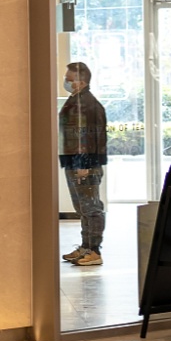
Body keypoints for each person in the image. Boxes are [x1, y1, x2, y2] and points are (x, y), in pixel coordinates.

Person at [60, 60, 108, 267]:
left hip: (84, 165)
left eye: (69, 79)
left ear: (81, 82)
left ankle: (94, 251)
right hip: (74, 162)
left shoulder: (88, 105)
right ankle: (85, 246)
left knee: (91, 208)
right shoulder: (76, 101)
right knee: (82, 208)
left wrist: (85, 164)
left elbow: (91, 136)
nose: (66, 82)